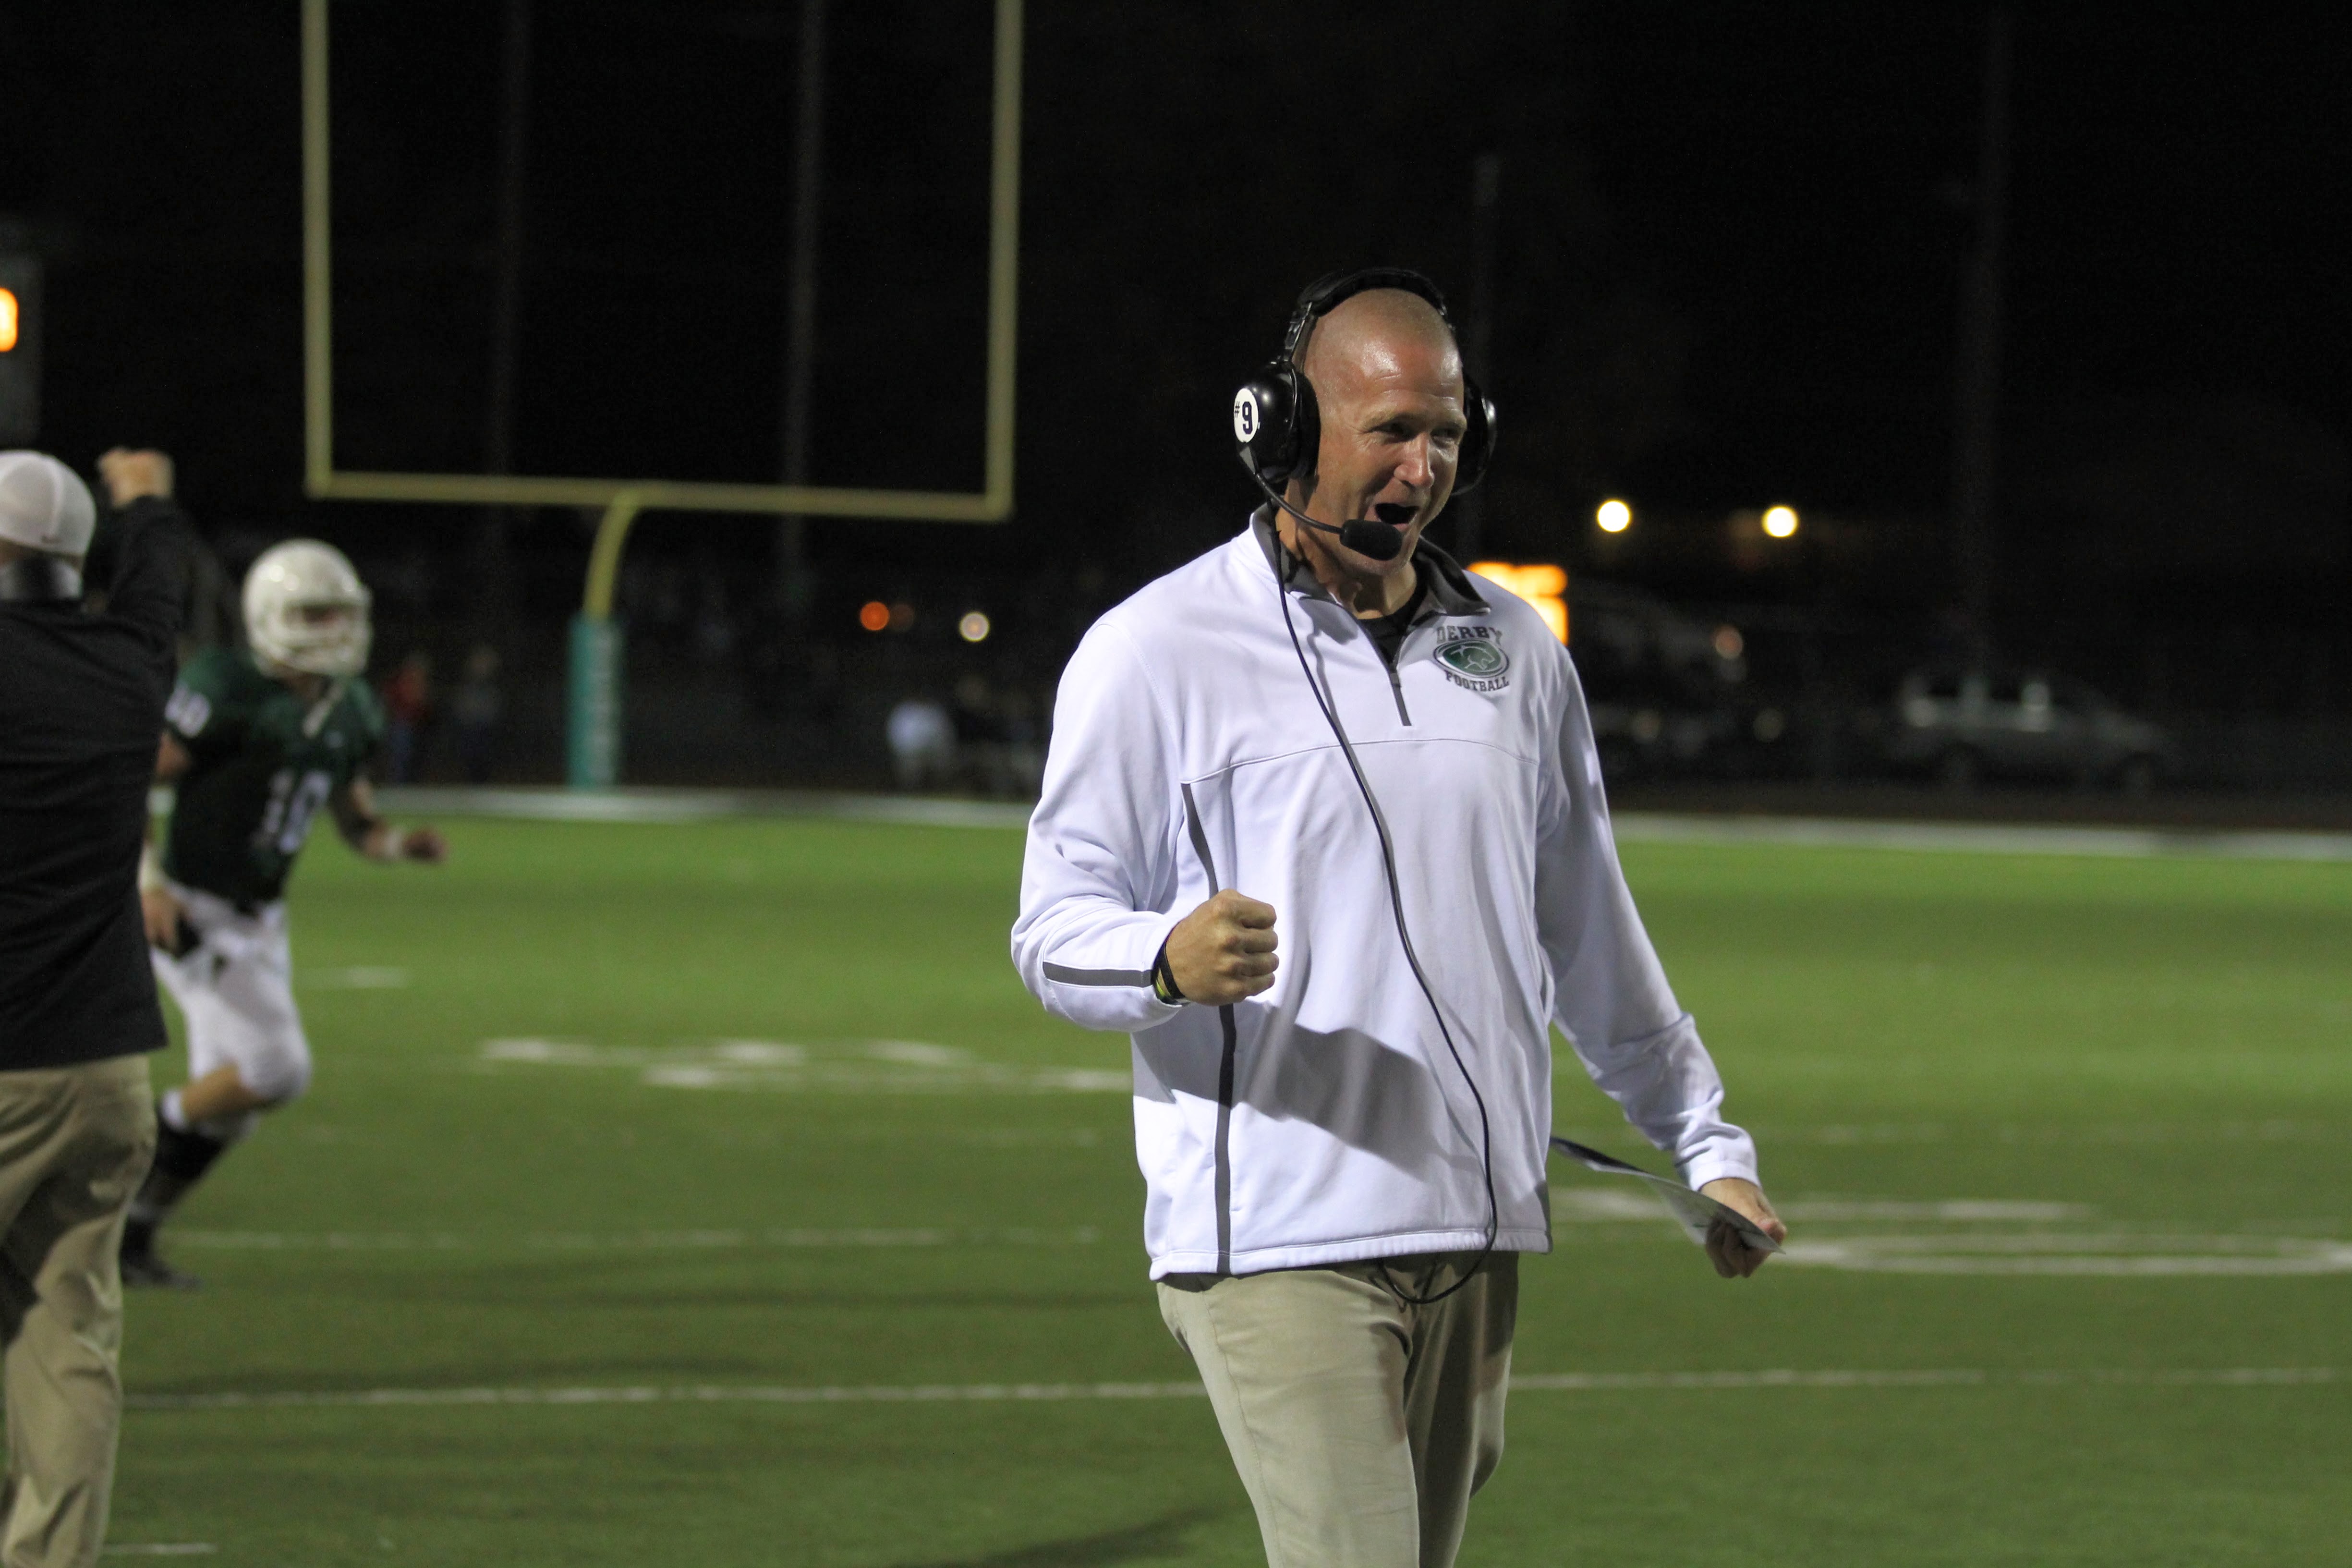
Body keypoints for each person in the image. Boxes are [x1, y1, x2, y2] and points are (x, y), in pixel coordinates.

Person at [1011, 271, 1786, 1568]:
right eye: (1389, 433)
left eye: (1444, 433)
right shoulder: (1153, 651)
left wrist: (1704, 1142)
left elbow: (1589, 928)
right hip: (1277, 1234)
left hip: (1474, 1225)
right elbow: (1050, 925)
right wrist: (1159, 958)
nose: (1421, 468)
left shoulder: (1517, 651)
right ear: (1286, 431)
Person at [120, 539, 447, 1289]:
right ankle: (122, 1149)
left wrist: (401, 846)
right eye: (312, 613)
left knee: (232, 1106)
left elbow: (355, 820)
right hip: (190, 904)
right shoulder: (227, 686)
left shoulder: (353, 706)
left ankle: (131, 1237)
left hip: (264, 919)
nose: (331, 629)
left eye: (340, 613)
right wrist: (146, 881)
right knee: (277, 1066)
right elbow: (132, 771)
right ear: (270, 615)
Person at [0, 447, 194, 1567]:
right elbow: (159, 577)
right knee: (69, 1342)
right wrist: (149, 505)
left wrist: (139, 508)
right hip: (107, 1072)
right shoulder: (130, 664)